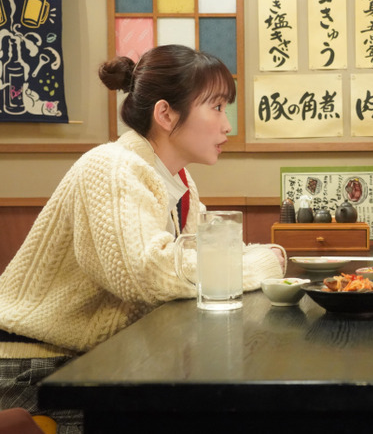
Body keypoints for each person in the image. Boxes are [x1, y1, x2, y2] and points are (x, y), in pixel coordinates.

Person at [0, 45, 287, 432]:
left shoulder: (178, 182)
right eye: (217, 107)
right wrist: (263, 263)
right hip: (36, 367)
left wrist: (263, 256)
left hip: (92, 358)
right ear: (166, 114)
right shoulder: (113, 166)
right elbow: (150, 274)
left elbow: (200, 257)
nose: (227, 126)